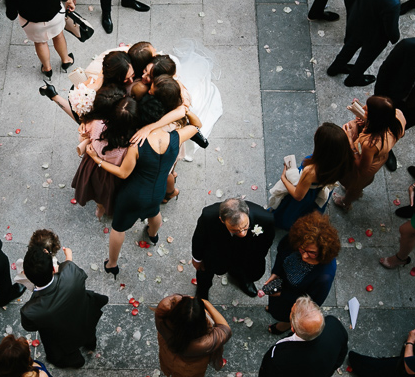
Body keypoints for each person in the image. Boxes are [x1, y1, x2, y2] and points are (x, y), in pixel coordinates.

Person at [90, 98, 203, 276]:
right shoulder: (176, 137)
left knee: (118, 228)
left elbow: (123, 173)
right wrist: (184, 111)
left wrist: (97, 160)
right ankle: (152, 235)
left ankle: (112, 264)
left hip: (133, 195)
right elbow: (197, 125)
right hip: (157, 190)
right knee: (154, 212)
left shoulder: (137, 143)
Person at [327, 0, 409, 86]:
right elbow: (390, 26)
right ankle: (353, 79)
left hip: (357, 19)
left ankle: (335, 67)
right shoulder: (393, 0)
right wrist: (395, 38)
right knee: (366, 57)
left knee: (349, 46)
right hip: (375, 35)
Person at [20, 244, 108, 369]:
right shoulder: (70, 270)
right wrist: (69, 257)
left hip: (62, 338)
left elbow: (29, 327)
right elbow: (72, 269)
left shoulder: (29, 311)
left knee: (61, 353)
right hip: (85, 318)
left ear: (28, 277)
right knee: (89, 334)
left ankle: (76, 361)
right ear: (53, 268)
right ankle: (90, 344)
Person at [263, 213, 340, 334]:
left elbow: (311, 302)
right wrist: (276, 273)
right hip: (281, 285)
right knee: (274, 307)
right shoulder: (294, 241)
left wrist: (282, 294)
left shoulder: (324, 276)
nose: (304, 255)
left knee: (285, 314)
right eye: (302, 249)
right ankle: (273, 308)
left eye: (311, 253)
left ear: (323, 250)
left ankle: (286, 325)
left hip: (293, 300)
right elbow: (281, 253)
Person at [189, 198, 276, 300]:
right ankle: (202, 291)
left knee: (248, 271)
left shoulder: (265, 218)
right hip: (217, 250)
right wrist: (197, 259)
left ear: (247, 212)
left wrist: (257, 257)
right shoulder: (208, 216)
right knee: (204, 272)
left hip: (245, 250)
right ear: (222, 220)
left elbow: (267, 241)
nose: (242, 234)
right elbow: (199, 237)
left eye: (245, 227)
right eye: (235, 230)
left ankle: (241, 278)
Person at [272, 123, 354, 229]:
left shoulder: (311, 171)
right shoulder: (344, 159)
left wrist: (284, 178)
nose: (315, 133)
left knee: (292, 212)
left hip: (307, 193)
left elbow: (298, 196)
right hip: (319, 190)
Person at [258, 297, 348, 377]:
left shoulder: (278, 358)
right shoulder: (334, 324)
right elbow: (341, 355)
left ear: (292, 328)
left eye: (291, 312)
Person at [72, 88, 136, 218]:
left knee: (96, 191)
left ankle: (99, 208)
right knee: (108, 195)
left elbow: (82, 136)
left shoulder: (97, 124)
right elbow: (124, 171)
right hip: (113, 173)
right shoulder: (133, 141)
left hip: (92, 166)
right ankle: (104, 208)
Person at [334, 95, 406, 209]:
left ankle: (345, 202)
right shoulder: (398, 115)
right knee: (359, 183)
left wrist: (350, 142)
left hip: (365, 164)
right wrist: (368, 123)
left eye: (367, 110)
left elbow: (361, 168)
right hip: (380, 157)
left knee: (355, 184)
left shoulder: (370, 144)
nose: (363, 108)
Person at [154, 294, 232, 377]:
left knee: (172, 364)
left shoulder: (161, 316)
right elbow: (226, 330)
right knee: (189, 374)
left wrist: (187, 304)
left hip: (169, 352)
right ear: (201, 323)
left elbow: (174, 298)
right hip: (191, 364)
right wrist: (205, 302)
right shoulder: (203, 344)